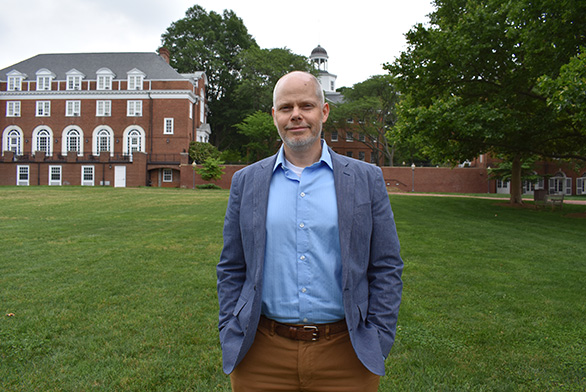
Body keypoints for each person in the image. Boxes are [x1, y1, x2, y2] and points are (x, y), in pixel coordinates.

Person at [217, 71, 403, 392]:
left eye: (306, 105)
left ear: (324, 111)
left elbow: (386, 265)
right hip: (261, 354)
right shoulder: (247, 182)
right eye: (286, 107)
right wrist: (229, 328)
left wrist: (379, 336)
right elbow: (232, 266)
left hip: (347, 354)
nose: (296, 115)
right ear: (274, 116)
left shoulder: (365, 178)